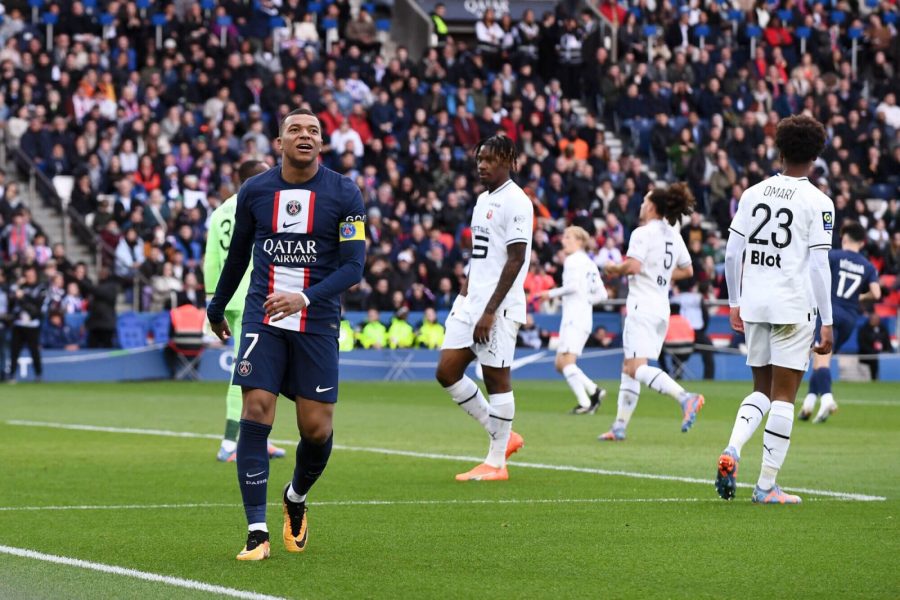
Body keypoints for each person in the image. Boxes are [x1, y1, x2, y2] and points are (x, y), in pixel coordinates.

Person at [207, 108, 367, 560]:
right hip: (263, 318)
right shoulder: (255, 191)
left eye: (313, 131)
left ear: (321, 143)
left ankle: (295, 497)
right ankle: (256, 532)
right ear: (279, 143)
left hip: (315, 321)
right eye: (295, 129)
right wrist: (216, 306)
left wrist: (306, 298)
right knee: (256, 409)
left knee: (316, 430)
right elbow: (238, 255)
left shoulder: (344, 193)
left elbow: (354, 266)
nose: (305, 135)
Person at [716, 115, 834, 505]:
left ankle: (733, 447)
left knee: (760, 391)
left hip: (755, 302)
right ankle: (766, 486)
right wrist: (827, 322)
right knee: (784, 397)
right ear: (816, 155)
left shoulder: (753, 193)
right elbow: (819, 265)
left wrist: (735, 301)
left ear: (779, 150)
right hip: (793, 306)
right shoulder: (819, 202)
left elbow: (733, 251)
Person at [435, 135, 532, 482]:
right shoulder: (481, 200)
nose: (482, 165)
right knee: (447, 371)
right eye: (479, 159)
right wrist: (465, 296)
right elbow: (481, 256)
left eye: (490, 159)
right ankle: (503, 432)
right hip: (471, 301)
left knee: (496, 377)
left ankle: (496, 463)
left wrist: (490, 310)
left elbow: (516, 259)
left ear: (509, 160)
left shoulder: (517, 202)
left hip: (499, 307)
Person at [598, 184, 705, 441]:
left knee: (636, 367)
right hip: (660, 308)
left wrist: (613, 269)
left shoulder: (642, 233)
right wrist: (661, 275)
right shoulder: (673, 235)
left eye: (645, 201)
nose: (642, 205)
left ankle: (685, 397)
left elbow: (633, 267)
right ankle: (619, 426)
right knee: (629, 365)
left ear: (653, 207)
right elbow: (688, 271)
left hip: (641, 305)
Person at [204, 160, 286, 463]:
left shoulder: (219, 212)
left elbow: (211, 261)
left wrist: (214, 302)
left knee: (257, 371)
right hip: (254, 299)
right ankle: (229, 442)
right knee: (246, 373)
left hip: (229, 299)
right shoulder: (260, 207)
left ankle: (256, 438)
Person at [800, 221, 880, 423]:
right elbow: (876, 293)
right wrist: (859, 298)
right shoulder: (867, 266)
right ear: (862, 243)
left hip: (830, 313)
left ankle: (826, 398)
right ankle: (808, 404)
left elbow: (814, 272)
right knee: (820, 359)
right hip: (850, 318)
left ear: (844, 238)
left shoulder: (834, 256)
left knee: (821, 359)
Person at [539, 225, 607, 414]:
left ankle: (591, 396)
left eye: (568, 237)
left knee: (566, 363)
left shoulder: (573, 260)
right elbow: (603, 295)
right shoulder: (590, 263)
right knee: (560, 364)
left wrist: (550, 293)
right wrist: (586, 301)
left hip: (575, 318)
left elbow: (573, 287)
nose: (563, 241)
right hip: (581, 316)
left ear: (579, 241)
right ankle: (589, 397)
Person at [7, 266, 46, 382]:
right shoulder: (20, 287)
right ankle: (12, 375)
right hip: (19, 324)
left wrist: (23, 297)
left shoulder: (40, 288)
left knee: (34, 351)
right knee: (14, 351)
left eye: (31, 275)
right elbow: (10, 298)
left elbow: (37, 305)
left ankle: (38, 375)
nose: (29, 278)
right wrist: (17, 285)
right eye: (27, 275)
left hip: (32, 325)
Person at [858, 312, 892, 380]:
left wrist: (888, 350)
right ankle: (874, 379)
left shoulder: (883, 329)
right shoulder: (864, 329)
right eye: (873, 319)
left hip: (882, 354)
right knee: (874, 361)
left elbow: (887, 341)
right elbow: (862, 343)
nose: (875, 321)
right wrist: (872, 351)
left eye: (877, 319)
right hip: (868, 354)